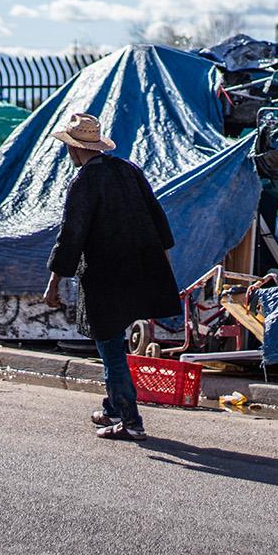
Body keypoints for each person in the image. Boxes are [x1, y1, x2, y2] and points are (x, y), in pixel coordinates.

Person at [43, 113, 182, 441]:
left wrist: (53, 282)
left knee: (110, 349)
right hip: (140, 272)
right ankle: (112, 407)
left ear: (75, 150)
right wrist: (164, 267)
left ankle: (131, 421)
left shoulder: (83, 181)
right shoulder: (128, 170)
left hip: (106, 277)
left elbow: (71, 235)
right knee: (114, 343)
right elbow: (158, 219)